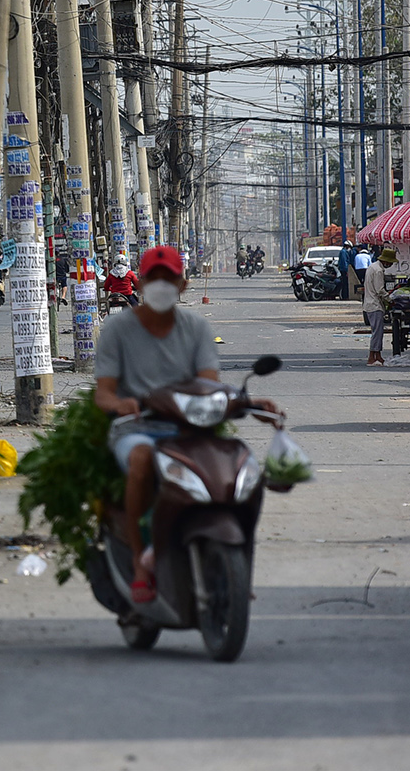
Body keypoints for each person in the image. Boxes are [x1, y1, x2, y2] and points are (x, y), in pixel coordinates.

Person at [93, 245, 280, 604]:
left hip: (192, 430)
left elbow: (210, 386)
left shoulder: (196, 328)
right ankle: (140, 559)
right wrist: (122, 404)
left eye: (170, 278)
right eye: (155, 278)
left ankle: (239, 562)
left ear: (183, 284)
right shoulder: (118, 328)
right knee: (142, 459)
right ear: (141, 282)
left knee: (245, 469)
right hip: (138, 429)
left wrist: (249, 403)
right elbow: (104, 393)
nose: (162, 285)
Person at [363, 247, 396, 366]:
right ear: (387, 262)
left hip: (369, 303)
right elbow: (380, 290)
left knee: (377, 332)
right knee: (377, 332)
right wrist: (390, 299)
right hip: (375, 305)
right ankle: (372, 357)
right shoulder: (378, 271)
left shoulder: (372, 267)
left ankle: (377, 355)